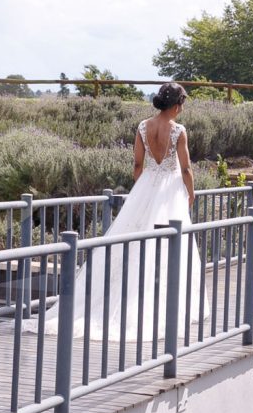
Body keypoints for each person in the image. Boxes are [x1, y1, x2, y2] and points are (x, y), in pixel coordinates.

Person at [30, 82, 205, 350]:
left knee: (134, 246)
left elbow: (137, 164)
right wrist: (190, 194)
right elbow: (186, 168)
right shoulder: (179, 131)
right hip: (170, 192)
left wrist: (142, 191)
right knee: (169, 249)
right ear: (177, 105)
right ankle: (159, 308)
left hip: (145, 187)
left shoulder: (143, 127)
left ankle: (116, 300)